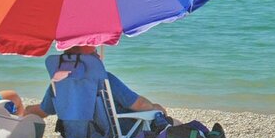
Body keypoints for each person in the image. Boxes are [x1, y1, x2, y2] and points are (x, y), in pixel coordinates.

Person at [23, 45, 171, 120]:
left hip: (74, 133)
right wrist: (156, 108)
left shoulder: (60, 81)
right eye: (92, 49)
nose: (97, 53)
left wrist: (27, 111)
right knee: (159, 113)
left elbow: (45, 110)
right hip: (108, 132)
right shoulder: (105, 79)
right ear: (87, 57)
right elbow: (139, 105)